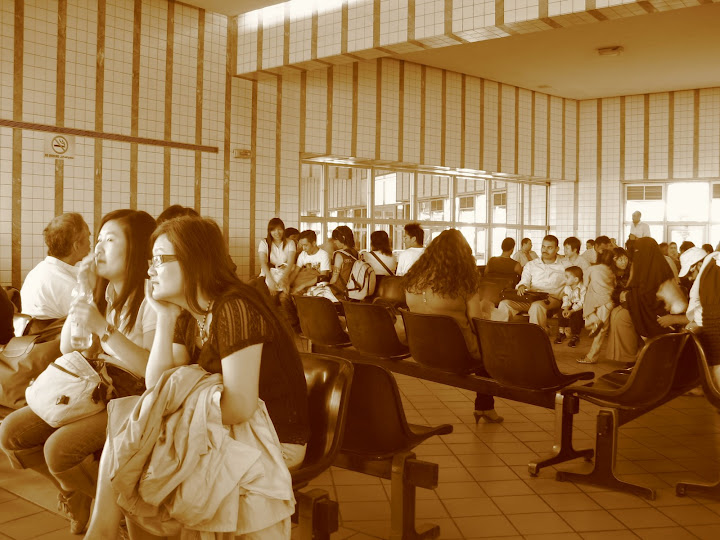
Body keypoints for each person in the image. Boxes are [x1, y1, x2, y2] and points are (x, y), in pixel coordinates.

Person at [85, 216, 309, 539]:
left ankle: (102, 532)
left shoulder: (235, 307)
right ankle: (102, 531)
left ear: (193, 260)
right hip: (226, 427)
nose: (150, 272)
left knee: (140, 443)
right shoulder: (190, 312)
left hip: (272, 438)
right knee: (132, 429)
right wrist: (164, 316)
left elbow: (240, 406)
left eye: (159, 260)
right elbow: (157, 383)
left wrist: (168, 420)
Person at [0, 210, 157, 534]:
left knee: (59, 450)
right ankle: (84, 496)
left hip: (132, 398)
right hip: (94, 388)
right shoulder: (103, 292)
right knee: (11, 434)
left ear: (136, 249)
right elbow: (68, 347)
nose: (97, 248)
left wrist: (105, 329)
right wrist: (83, 290)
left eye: (109, 240)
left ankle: (118, 514)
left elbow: (151, 370)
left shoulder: (150, 300)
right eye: (96, 240)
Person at [404, 229, 502, 424]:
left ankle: (485, 407)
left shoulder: (412, 281)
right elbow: (476, 323)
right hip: (457, 355)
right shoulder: (463, 283)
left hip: (421, 352)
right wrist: (487, 309)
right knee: (490, 348)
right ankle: (485, 406)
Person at [606, 237, 681, 365]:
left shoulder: (663, 265)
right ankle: (630, 357)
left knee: (621, 316)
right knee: (617, 314)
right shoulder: (641, 264)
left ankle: (634, 358)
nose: (636, 254)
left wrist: (628, 297)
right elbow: (634, 287)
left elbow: (652, 296)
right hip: (645, 307)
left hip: (659, 313)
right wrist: (627, 296)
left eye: (638, 251)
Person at [20, 213, 91, 320]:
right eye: (88, 237)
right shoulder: (68, 286)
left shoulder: (38, 272)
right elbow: (95, 320)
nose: (90, 243)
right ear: (76, 245)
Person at [494, 235, 565, 333]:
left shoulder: (564, 265)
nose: (545, 250)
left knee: (537, 306)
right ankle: (501, 334)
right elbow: (524, 281)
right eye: (543, 246)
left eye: (549, 247)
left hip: (552, 298)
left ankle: (537, 335)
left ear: (557, 249)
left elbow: (572, 285)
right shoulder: (532, 264)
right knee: (505, 304)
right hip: (531, 297)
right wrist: (522, 286)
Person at [578, 251, 618, 364]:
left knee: (594, 325)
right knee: (602, 331)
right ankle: (592, 355)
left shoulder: (592, 269)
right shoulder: (611, 272)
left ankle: (591, 357)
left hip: (593, 301)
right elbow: (614, 285)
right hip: (608, 302)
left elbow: (585, 284)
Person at [258, 218, 296, 296]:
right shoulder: (264, 243)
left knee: (284, 297)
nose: (277, 233)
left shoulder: (290, 243)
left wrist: (284, 279)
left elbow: (290, 263)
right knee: (268, 296)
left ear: (283, 230)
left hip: (285, 274)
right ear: (269, 231)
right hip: (268, 274)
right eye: (273, 230)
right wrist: (270, 280)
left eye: (279, 229)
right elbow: (263, 262)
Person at [555, 266, 585, 348]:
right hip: (570, 304)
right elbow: (566, 298)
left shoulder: (583, 288)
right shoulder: (567, 287)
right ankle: (562, 332)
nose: (564, 279)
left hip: (580, 306)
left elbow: (582, 303)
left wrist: (571, 311)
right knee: (561, 312)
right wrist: (565, 308)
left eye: (567, 277)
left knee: (577, 315)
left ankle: (575, 335)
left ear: (575, 279)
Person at [328, 225, 359, 299]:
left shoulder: (339, 254)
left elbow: (334, 279)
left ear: (343, 238)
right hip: (353, 290)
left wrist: (328, 287)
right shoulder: (356, 253)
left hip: (340, 292)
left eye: (336, 239)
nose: (334, 242)